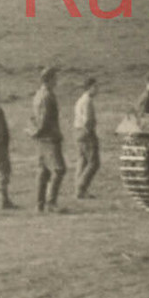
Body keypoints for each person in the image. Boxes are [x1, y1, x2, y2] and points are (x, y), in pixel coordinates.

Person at [28, 66, 65, 212]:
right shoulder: (47, 96)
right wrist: (38, 132)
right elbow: (43, 120)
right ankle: (51, 203)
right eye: (55, 77)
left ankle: (40, 204)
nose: (57, 80)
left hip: (42, 138)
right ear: (49, 79)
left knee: (43, 170)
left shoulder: (38, 94)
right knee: (59, 169)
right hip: (49, 138)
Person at [73, 76, 99, 199]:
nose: (97, 89)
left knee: (82, 161)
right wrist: (90, 131)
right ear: (89, 88)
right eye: (95, 87)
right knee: (94, 162)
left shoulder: (80, 100)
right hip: (86, 133)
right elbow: (88, 120)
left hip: (78, 132)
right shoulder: (88, 101)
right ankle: (81, 187)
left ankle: (79, 191)